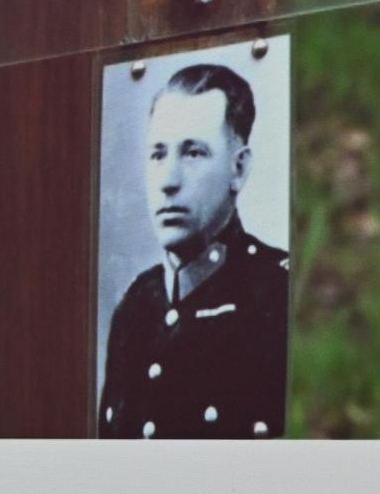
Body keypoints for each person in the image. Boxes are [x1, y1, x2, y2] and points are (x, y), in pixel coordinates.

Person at [98, 62, 289, 439]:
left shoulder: (277, 296)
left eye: (193, 153)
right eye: (158, 155)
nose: (169, 181)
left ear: (239, 169)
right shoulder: (136, 308)